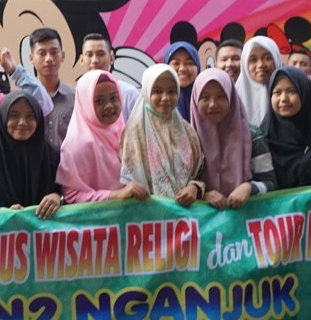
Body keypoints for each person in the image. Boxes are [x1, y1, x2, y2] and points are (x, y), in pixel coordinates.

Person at [57, 70, 150, 204]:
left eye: (113, 98)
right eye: (99, 101)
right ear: (86, 103)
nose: (109, 106)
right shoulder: (77, 145)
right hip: (101, 217)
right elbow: (72, 197)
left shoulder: (123, 131)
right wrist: (116, 195)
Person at [190, 68, 276, 207]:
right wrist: (202, 193)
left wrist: (249, 188)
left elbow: (271, 183)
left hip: (245, 217)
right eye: (205, 97)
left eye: (221, 96)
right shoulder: (189, 139)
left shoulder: (252, 135)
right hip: (202, 219)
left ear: (231, 97)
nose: (213, 104)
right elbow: (182, 186)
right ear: (195, 100)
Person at [121, 65, 204, 205]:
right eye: (158, 91)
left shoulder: (187, 130)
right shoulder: (134, 132)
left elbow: (199, 173)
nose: (165, 98)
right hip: (148, 213)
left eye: (171, 91)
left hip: (186, 212)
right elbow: (129, 183)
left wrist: (194, 187)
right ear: (147, 92)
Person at [0, 91, 63, 218]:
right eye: (14, 115)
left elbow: (69, 193)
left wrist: (58, 198)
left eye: (30, 116)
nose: (22, 122)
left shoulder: (55, 159)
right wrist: (3, 215)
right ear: (3, 118)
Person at [262, 67, 311, 190]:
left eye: (292, 91)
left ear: (304, 93)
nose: (284, 98)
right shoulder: (263, 137)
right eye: (277, 92)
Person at [30, 28, 75, 150]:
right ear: (31, 58)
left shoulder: (75, 97)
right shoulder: (25, 98)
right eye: (42, 53)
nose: (49, 58)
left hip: (67, 162)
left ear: (63, 56)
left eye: (54, 52)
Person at [80, 33, 138, 119]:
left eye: (101, 54)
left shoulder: (129, 94)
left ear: (111, 57)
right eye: (89, 55)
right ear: (81, 60)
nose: (95, 60)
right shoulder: (77, 95)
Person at [235, 36, 282, 127]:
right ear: (244, 64)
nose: (260, 65)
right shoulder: (233, 99)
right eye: (253, 60)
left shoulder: (289, 94)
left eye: (267, 58)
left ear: (276, 60)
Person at [162, 41, 200, 121]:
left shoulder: (205, 96)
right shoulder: (159, 99)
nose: (182, 69)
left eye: (189, 63)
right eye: (176, 63)